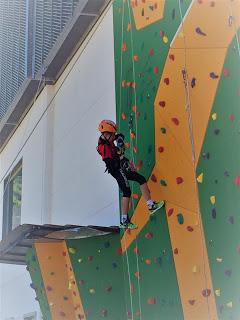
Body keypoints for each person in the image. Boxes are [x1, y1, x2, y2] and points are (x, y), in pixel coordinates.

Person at [97, 119, 164, 229]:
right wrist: (122, 158)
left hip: (120, 165)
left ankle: (151, 205)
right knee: (127, 191)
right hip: (116, 169)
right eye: (112, 135)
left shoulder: (107, 139)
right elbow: (113, 161)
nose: (114, 136)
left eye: (114, 134)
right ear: (106, 134)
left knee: (141, 179)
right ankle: (124, 221)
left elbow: (120, 136)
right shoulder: (103, 148)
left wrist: (119, 140)